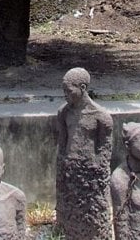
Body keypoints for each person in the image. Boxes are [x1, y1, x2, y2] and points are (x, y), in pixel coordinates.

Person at [55, 67, 113, 239]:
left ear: (82, 87)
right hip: (70, 170)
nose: (65, 94)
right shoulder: (64, 113)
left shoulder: (101, 117)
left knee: (91, 213)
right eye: (63, 90)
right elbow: (62, 143)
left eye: (68, 90)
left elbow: (105, 149)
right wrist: (62, 169)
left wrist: (97, 171)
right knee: (70, 210)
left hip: (91, 173)